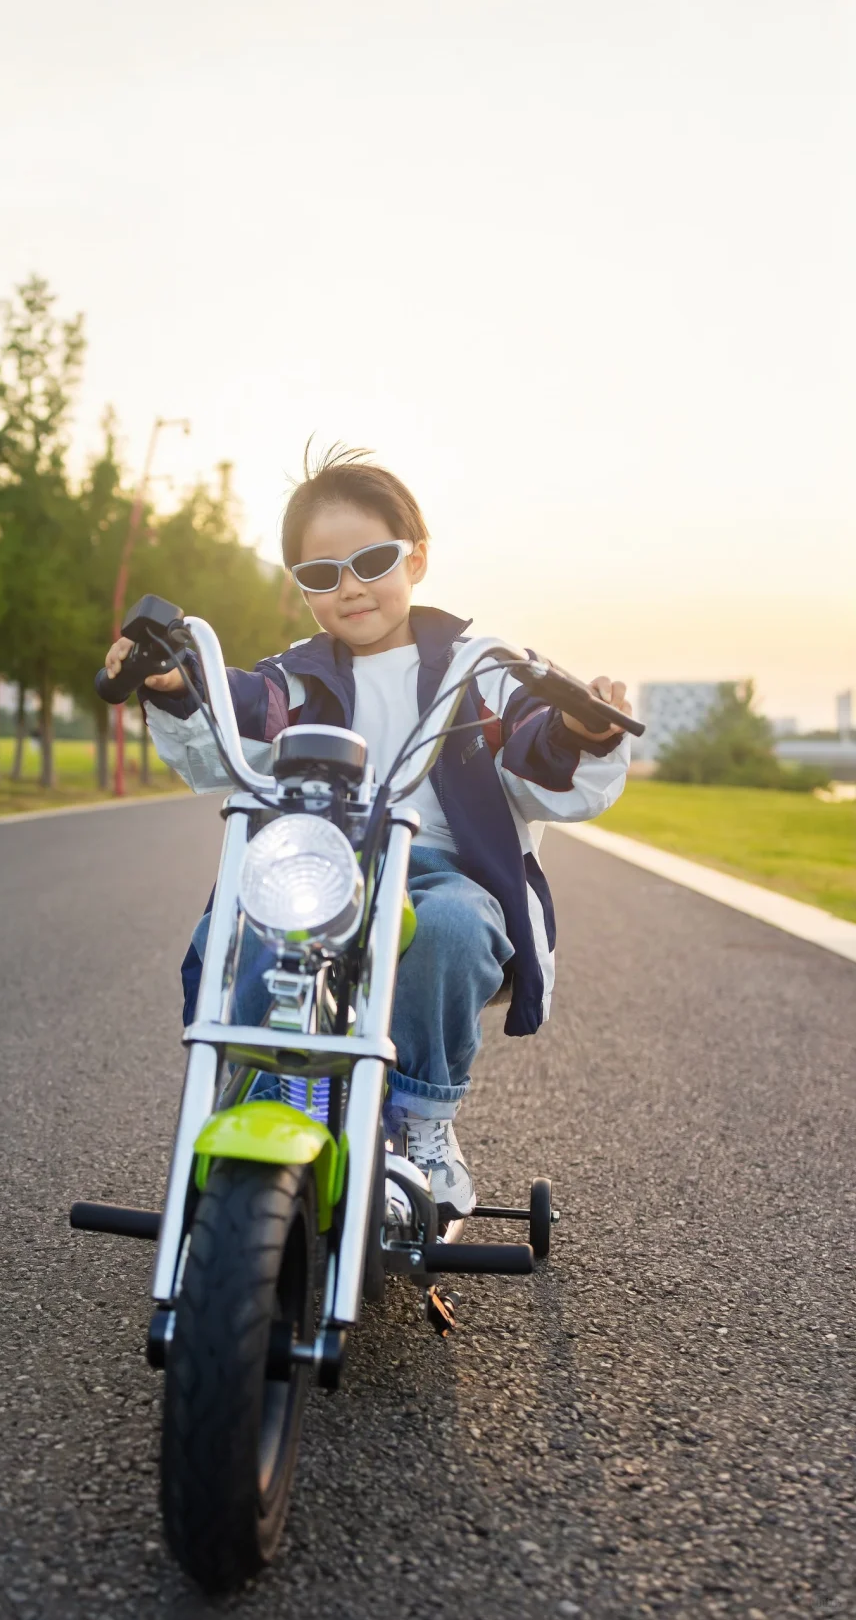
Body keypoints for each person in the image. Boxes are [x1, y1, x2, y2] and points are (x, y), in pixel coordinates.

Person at [103, 446, 632, 1216]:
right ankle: (255, 1085)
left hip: (442, 869)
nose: (349, 586)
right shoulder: (294, 677)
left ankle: (420, 1118)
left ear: (416, 558)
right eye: (322, 574)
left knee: (452, 926)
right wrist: (178, 681)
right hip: (322, 867)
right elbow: (239, 715)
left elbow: (536, 743)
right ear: (302, 586)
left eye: (372, 561)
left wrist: (579, 727)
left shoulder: (482, 668)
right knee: (239, 929)